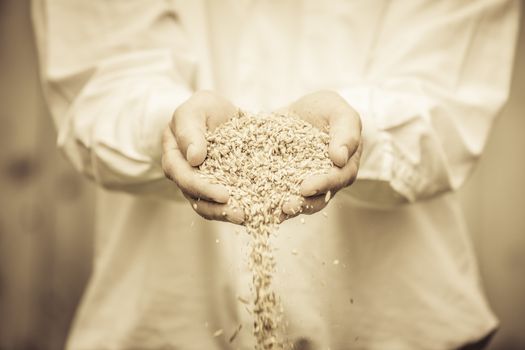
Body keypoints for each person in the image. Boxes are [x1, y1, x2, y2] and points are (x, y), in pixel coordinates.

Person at [31, 1, 519, 349]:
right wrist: (169, 125)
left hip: (397, 326)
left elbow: (448, 102)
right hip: (165, 322)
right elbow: (100, 83)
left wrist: (358, 131)